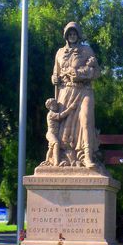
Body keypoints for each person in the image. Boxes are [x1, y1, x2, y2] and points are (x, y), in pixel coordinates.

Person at [51, 22, 100, 168]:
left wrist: (80, 74)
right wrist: (54, 78)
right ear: (66, 36)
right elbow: (56, 72)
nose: (72, 36)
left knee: (85, 120)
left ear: (78, 35)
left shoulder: (87, 50)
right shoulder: (60, 52)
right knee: (64, 126)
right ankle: (62, 156)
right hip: (65, 92)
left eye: (74, 33)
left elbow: (97, 72)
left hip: (83, 90)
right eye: (69, 34)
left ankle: (87, 156)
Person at [43, 98, 76, 166]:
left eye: (56, 104)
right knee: (56, 143)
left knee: (51, 148)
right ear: (49, 106)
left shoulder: (54, 113)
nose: (55, 105)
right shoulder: (51, 114)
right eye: (53, 104)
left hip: (55, 134)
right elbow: (61, 116)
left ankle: (47, 160)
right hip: (50, 133)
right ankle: (56, 162)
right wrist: (70, 108)